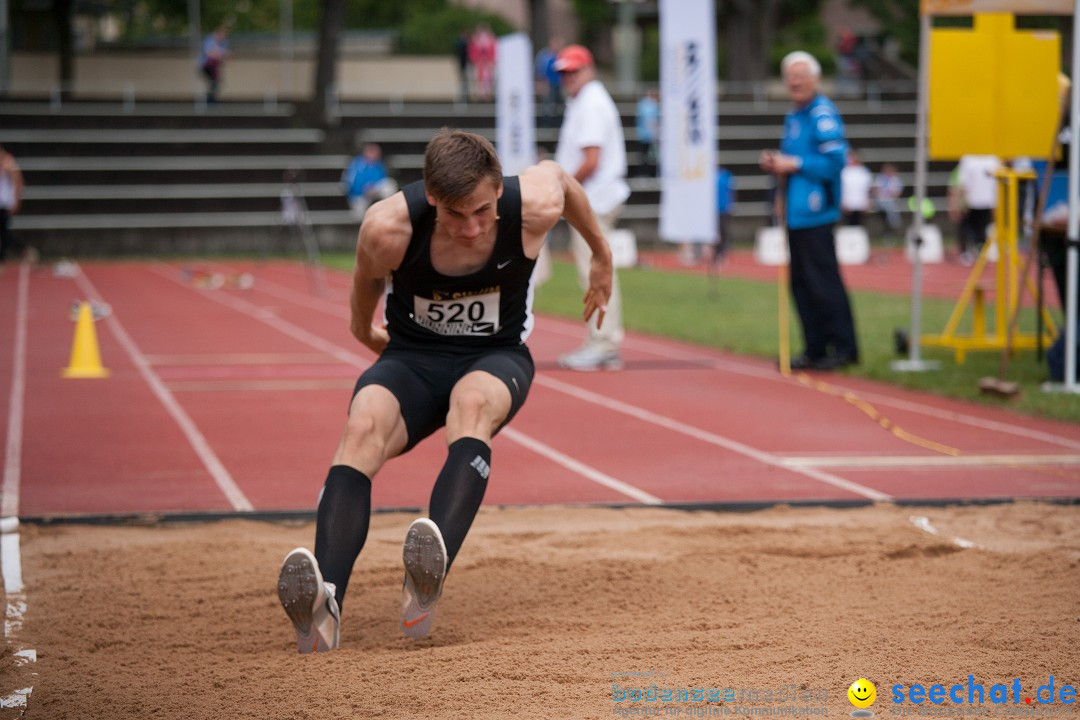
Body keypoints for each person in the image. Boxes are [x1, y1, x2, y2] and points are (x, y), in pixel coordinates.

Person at [276, 129, 615, 652]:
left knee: (471, 407)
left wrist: (601, 254)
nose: (472, 227)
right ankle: (324, 605)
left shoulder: (533, 203)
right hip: (412, 358)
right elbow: (367, 278)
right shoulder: (388, 225)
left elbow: (567, 183)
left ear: (499, 189)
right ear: (432, 197)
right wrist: (362, 328)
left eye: (482, 210)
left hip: (494, 355)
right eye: (456, 215)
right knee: (362, 425)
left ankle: (424, 583)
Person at [760, 50, 858, 371]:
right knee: (800, 283)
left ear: (815, 79)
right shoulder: (794, 117)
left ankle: (844, 347)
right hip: (795, 212)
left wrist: (795, 163)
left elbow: (835, 161)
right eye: (791, 77)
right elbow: (791, 162)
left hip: (817, 212)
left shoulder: (822, 115)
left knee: (823, 280)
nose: (795, 82)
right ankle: (815, 346)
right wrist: (778, 166)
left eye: (801, 76)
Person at [553, 44, 630, 371]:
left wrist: (561, 185)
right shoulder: (585, 101)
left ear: (589, 69)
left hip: (592, 201)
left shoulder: (591, 103)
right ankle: (601, 341)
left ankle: (604, 343)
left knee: (595, 271)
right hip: (590, 199)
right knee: (593, 270)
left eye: (573, 70)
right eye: (563, 72)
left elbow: (591, 160)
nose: (567, 77)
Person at [956, 154, 1000, 266]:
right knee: (973, 229)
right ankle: (971, 253)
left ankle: (976, 253)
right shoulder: (991, 159)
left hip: (982, 201)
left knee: (978, 230)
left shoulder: (971, 159)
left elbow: (963, 183)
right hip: (978, 201)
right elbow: (963, 183)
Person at [340, 143, 398, 221]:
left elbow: (382, 179)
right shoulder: (355, 164)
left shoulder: (379, 164)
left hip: (374, 192)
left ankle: (388, 212)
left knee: (390, 184)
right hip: (359, 195)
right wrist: (363, 190)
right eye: (373, 152)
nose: (376, 155)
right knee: (359, 216)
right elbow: (348, 184)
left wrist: (373, 189)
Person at [0, 145, 24, 264]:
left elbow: (18, 182)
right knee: (4, 232)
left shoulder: (9, 163)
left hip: (5, 203)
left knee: (4, 232)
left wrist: (16, 200)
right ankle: (24, 250)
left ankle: (24, 250)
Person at [535, 36, 564, 128]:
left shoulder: (560, 55)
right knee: (547, 105)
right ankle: (546, 126)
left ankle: (558, 125)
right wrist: (541, 83)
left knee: (559, 105)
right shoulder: (544, 55)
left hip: (559, 84)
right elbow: (540, 70)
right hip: (548, 84)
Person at [840, 149, 872, 227]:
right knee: (848, 224)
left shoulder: (863, 171)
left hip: (860, 203)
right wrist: (842, 202)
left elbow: (867, 189)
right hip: (848, 203)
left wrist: (868, 202)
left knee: (859, 225)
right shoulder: (844, 171)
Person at [198, 25, 229, 104]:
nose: (223, 37)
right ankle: (210, 100)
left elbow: (224, 54)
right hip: (206, 65)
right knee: (214, 81)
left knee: (215, 82)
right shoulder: (209, 41)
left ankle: (211, 99)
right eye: (222, 35)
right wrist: (219, 56)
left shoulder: (223, 42)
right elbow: (210, 53)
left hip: (213, 66)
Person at [712, 165, 735, 265]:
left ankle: (722, 253)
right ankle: (715, 253)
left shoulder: (726, 176)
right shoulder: (711, 176)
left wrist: (732, 204)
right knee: (716, 233)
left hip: (724, 208)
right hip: (714, 209)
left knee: (724, 232)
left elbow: (731, 191)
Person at [872, 162, 904, 235]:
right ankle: (893, 227)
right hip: (880, 201)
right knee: (888, 207)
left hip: (891, 201)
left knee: (892, 208)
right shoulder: (880, 178)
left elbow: (897, 193)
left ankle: (894, 226)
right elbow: (875, 190)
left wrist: (888, 193)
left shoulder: (896, 179)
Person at [635, 88, 660, 177]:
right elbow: (650, 121)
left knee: (644, 157)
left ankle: (643, 174)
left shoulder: (642, 104)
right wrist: (655, 133)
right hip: (649, 135)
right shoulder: (651, 106)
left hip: (642, 135)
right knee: (649, 158)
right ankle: (648, 174)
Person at [468, 24, 497, 101]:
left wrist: (492, 60)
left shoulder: (491, 40)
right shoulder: (476, 40)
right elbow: (473, 51)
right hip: (480, 62)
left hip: (487, 62)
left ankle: (487, 94)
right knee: (480, 78)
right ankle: (481, 94)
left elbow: (493, 51)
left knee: (488, 78)